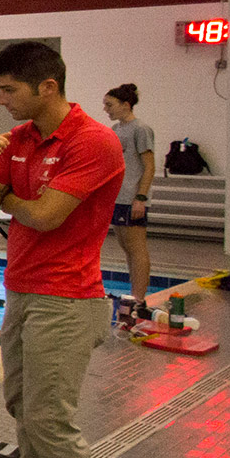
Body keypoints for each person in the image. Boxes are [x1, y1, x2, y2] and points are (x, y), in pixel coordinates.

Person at [0, 41, 122, 458]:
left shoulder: (93, 142)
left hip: (69, 296)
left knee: (51, 420)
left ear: (47, 87)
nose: (2, 99)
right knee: (20, 404)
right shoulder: (19, 139)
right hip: (24, 289)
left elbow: (45, 216)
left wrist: (6, 194)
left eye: (9, 89)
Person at [102, 83, 154, 304]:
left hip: (133, 197)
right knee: (125, 247)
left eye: (110, 104)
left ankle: (139, 298)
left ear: (126, 104)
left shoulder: (140, 129)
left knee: (136, 248)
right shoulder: (116, 130)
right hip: (118, 197)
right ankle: (133, 293)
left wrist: (140, 197)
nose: (106, 109)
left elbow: (149, 166)